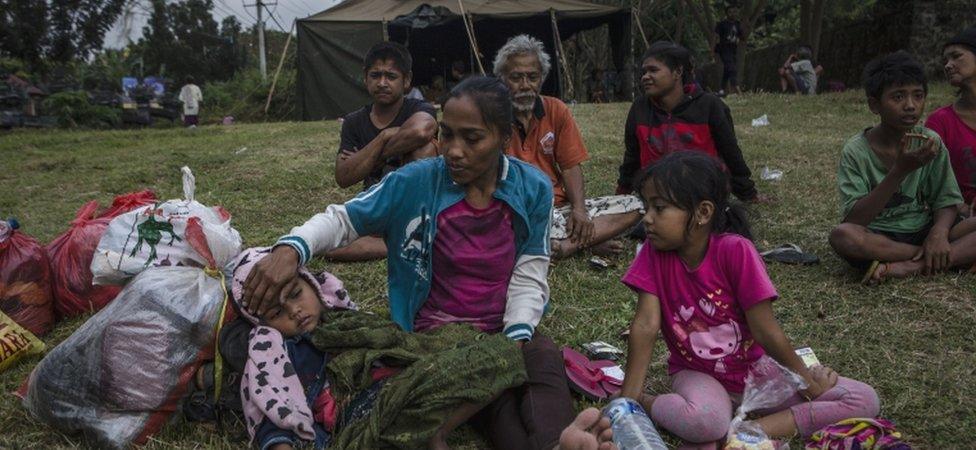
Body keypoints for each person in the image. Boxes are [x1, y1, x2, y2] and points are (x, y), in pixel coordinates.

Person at [243, 76, 575, 450]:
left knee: (541, 358)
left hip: (504, 329)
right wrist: (292, 249)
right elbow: (342, 220)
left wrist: (514, 335)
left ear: (503, 137)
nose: (453, 150)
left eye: (472, 138)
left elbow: (531, 272)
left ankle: (559, 441)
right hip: (436, 339)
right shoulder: (417, 181)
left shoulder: (533, 188)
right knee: (494, 395)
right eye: (446, 134)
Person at [619, 151, 881, 448]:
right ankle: (652, 402)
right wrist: (629, 403)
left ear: (703, 213)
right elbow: (645, 325)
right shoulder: (653, 254)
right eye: (646, 207)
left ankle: (749, 429)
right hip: (695, 373)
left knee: (863, 399)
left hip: (755, 372)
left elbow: (765, 331)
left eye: (659, 208)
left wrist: (806, 381)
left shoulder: (736, 251)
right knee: (704, 421)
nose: (648, 219)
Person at [829, 51, 976, 283]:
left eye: (918, 96)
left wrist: (938, 233)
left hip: (924, 229)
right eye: (898, 97)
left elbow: (946, 202)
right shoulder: (856, 151)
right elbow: (855, 220)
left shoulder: (931, 142)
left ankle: (910, 267)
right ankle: (942, 258)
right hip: (881, 236)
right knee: (843, 236)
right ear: (874, 105)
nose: (910, 105)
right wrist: (900, 170)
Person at [494, 34, 643, 258]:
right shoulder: (490, 114)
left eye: (532, 77)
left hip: (558, 210)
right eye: (516, 77)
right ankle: (584, 242)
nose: (525, 85)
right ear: (502, 79)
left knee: (635, 205)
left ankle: (566, 245)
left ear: (542, 78)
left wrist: (580, 210)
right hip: (515, 212)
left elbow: (571, 166)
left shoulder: (556, 110)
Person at [618, 41, 766, 204]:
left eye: (653, 70)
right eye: (644, 72)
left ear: (678, 72)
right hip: (655, 195)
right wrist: (621, 193)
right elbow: (632, 157)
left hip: (701, 194)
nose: (645, 77)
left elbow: (731, 154)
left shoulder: (710, 106)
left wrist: (748, 194)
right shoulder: (639, 108)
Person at [331, 41, 438, 262]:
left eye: (391, 76)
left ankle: (412, 230)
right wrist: (384, 136)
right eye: (375, 75)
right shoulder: (354, 122)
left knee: (425, 149)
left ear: (406, 80)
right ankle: (400, 242)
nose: (382, 83)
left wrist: (368, 159)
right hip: (378, 204)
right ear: (365, 77)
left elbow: (420, 131)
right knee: (327, 246)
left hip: (415, 207)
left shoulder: (419, 109)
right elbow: (344, 176)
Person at [926, 27, 976, 215]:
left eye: (956, 56)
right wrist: (961, 208)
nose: (947, 65)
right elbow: (931, 181)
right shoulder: (940, 121)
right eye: (945, 60)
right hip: (958, 216)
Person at [714, 6, 742, 96]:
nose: (733, 14)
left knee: (727, 70)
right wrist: (713, 49)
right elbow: (716, 37)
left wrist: (738, 39)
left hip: (733, 50)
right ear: (726, 13)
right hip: (724, 49)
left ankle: (722, 89)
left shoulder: (738, 24)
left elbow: (742, 36)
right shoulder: (722, 24)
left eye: (734, 12)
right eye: (730, 12)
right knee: (731, 68)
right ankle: (736, 89)